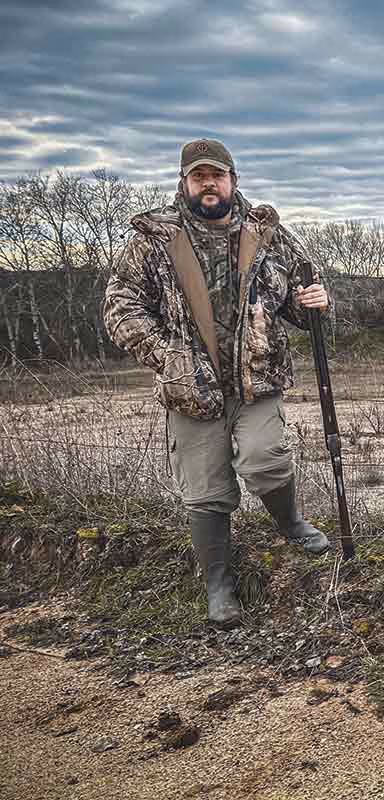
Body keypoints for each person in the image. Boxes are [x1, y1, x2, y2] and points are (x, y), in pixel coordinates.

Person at [104, 138, 331, 628]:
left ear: (234, 181)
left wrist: (314, 302)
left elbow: (295, 302)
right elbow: (120, 308)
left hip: (257, 380)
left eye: (218, 175)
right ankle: (218, 583)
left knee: (265, 458)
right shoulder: (153, 239)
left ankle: (291, 523)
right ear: (184, 183)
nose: (209, 184)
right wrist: (167, 356)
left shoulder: (267, 234)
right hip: (191, 388)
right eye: (198, 176)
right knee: (205, 488)